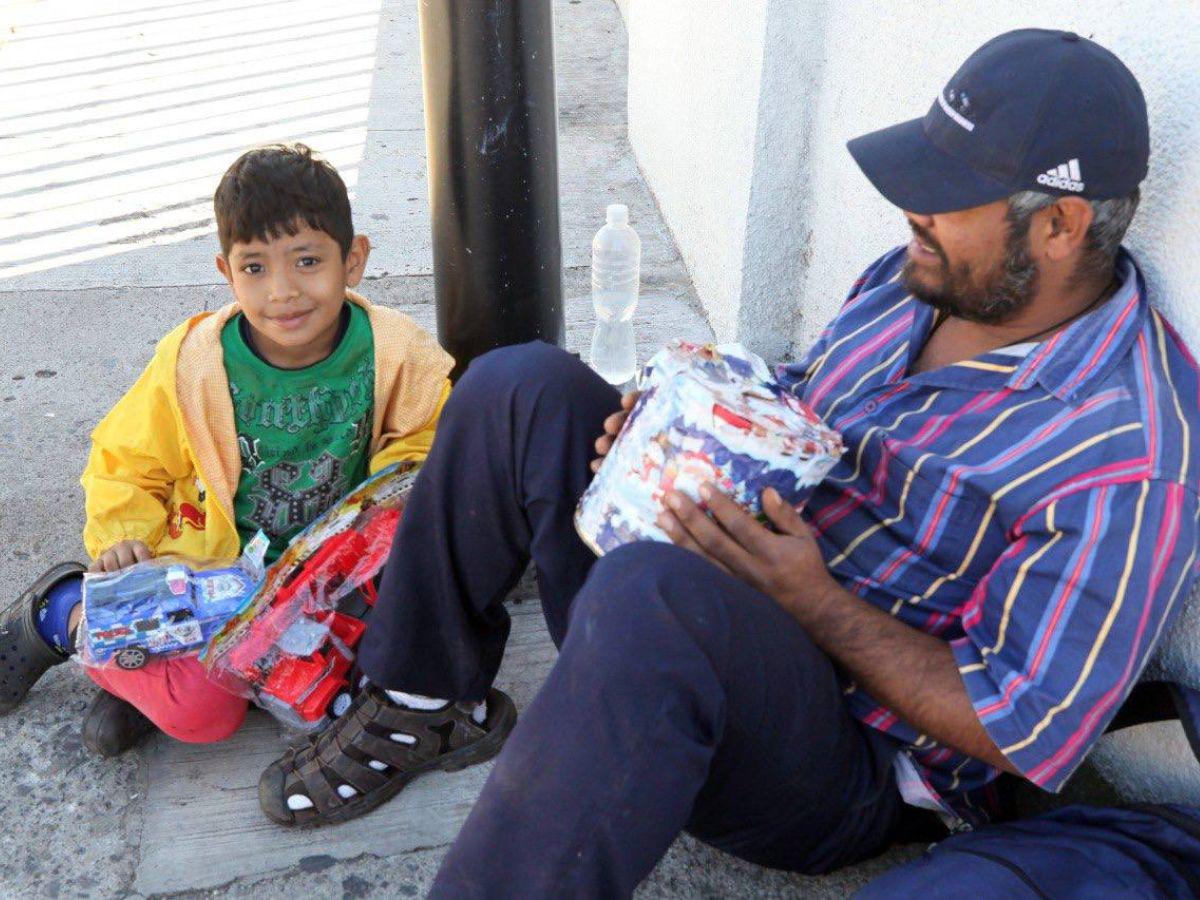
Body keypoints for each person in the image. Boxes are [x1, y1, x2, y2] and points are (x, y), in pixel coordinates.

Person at [257, 29, 1200, 897]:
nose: (914, 207)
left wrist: (814, 601)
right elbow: (801, 396)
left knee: (652, 599)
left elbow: (1027, 728)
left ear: (1062, 225)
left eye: (952, 195)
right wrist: (672, 423)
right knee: (521, 387)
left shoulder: (1129, 455)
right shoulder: (929, 275)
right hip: (716, 589)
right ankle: (423, 698)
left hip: (841, 759)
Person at [0, 143, 465, 758]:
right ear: (226, 271)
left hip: (315, 582)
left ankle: (141, 682)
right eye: (255, 268)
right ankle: (68, 613)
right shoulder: (195, 363)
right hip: (202, 576)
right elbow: (126, 456)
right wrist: (123, 532)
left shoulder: (397, 352)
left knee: (373, 674)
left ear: (353, 261)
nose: (283, 292)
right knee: (206, 718)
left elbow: (423, 438)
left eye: (307, 261)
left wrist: (382, 512)